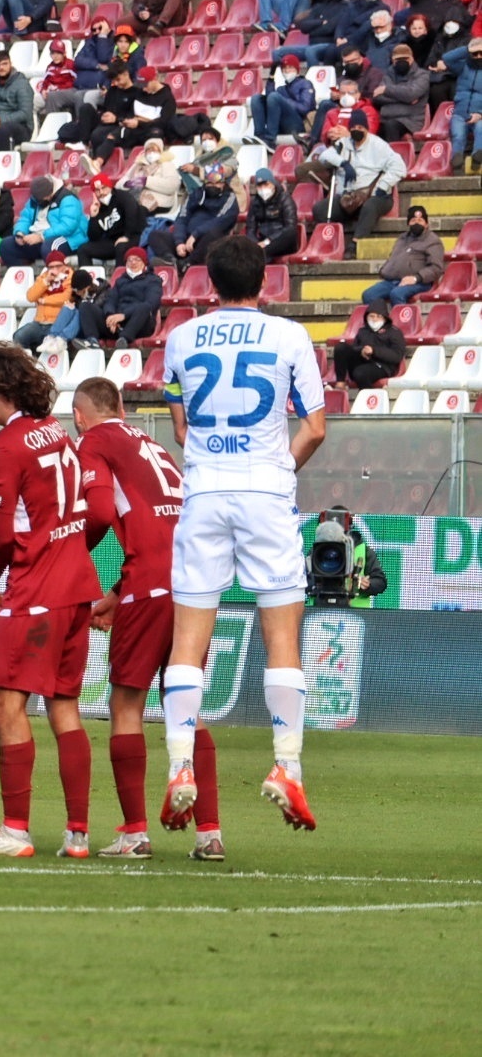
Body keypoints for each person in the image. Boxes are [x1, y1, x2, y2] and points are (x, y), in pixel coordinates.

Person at [161, 235, 328, 843]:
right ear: (265, 281)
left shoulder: (181, 338)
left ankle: (180, 766)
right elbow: (315, 427)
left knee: (188, 642)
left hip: (204, 490)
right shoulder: (289, 336)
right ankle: (287, 766)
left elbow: (181, 428)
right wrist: (279, 469)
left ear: (210, 282)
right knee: (282, 637)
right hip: (265, 492)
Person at [0, 342, 100, 859]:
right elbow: (44, 503)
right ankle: (77, 834)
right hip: (78, 586)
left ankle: (15, 831)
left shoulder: (3, 447)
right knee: (65, 708)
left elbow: (1, 538)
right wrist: (0, 505)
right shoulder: (55, 431)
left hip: (37, 588)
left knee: (5, 706)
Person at [71, 377, 199, 860]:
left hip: (148, 582)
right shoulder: (153, 445)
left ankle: (134, 833)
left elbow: (102, 511)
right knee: (185, 705)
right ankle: (210, 834)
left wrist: (70, 553)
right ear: (122, 407)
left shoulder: (92, 441)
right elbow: (162, 525)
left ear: (79, 416)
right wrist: (115, 594)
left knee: (126, 704)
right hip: (193, 581)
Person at [307, 109, 405, 259]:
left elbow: (399, 167)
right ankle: (333, 238)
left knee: (370, 207)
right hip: (350, 196)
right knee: (320, 209)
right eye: (353, 127)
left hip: (376, 195)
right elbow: (325, 156)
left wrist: (384, 185)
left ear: (366, 128)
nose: (356, 130)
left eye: (360, 127)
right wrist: (343, 163)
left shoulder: (379, 145)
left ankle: (354, 244)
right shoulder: (344, 143)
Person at [148, 164, 239, 271]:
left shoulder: (230, 198)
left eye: (217, 183)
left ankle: (187, 264)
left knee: (214, 234)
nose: (213, 186)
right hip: (186, 239)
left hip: (206, 240)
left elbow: (220, 221)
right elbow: (182, 218)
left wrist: (196, 234)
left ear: (223, 183)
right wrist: (179, 242)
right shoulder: (196, 194)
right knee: (155, 235)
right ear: (205, 183)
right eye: (210, 183)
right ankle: (172, 261)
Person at [78, 247, 162, 349]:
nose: (133, 263)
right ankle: (92, 340)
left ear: (144, 262)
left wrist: (124, 315)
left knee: (144, 307)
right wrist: (110, 315)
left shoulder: (153, 280)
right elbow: (110, 300)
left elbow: (152, 303)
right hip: (116, 324)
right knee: (85, 306)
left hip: (138, 324)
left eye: (137, 259)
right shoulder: (121, 280)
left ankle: (124, 340)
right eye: (129, 260)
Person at [305, 506, 386, 607]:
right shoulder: (316, 551)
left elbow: (380, 582)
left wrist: (367, 584)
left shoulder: (364, 550)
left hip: (356, 612)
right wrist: (315, 584)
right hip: (319, 609)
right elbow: (301, 581)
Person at [1, 175, 87, 266]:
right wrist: (20, 232)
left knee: (49, 248)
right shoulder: (35, 199)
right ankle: (23, 273)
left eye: (45, 198)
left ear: (50, 193)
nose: (43, 201)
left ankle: (54, 274)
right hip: (38, 236)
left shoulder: (68, 198)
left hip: (69, 238)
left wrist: (41, 236)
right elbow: (25, 218)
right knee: (6, 246)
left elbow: (68, 226)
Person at [331, 297, 406, 390]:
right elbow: (355, 347)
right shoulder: (363, 331)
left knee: (360, 373)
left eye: (378, 316)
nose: (374, 319)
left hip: (382, 366)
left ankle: (368, 396)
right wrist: (361, 350)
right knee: (341, 348)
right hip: (362, 361)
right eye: (371, 316)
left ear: (385, 318)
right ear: (366, 317)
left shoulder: (394, 332)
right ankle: (340, 384)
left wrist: (374, 351)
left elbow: (397, 355)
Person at [77, 175, 146, 267]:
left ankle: (119, 276)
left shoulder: (123, 197)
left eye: (104, 188)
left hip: (133, 237)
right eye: (97, 190)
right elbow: (93, 238)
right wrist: (94, 217)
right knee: (83, 249)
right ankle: (87, 276)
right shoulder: (98, 207)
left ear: (110, 187)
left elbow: (132, 216)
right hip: (113, 241)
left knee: (121, 246)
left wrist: (126, 236)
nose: (101, 193)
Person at [11, 251, 74, 351]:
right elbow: (30, 297)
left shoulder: (71, 278)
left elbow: (66, 297)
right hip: (39, 323)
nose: (55, 270)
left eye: (58, 266)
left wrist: (44, 300)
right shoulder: (43, 278)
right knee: (19, 336)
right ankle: (27, 358)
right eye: (51, 267)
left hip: (57, 323)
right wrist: (46, 281)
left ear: (65, 266)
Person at [251, 54, 317, 149]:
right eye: (284, 68)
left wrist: (284, 101)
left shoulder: (306, 84)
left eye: (290, 67)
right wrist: (271, 76)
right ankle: (259, 136)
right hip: (282, 123)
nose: (286, 71)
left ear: (297, 69)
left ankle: (270, 139)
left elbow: (305, 108)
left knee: (274, 96)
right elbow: (270, 99)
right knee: (256, 98)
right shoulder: (281, 89)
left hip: (298, 124)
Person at [374, 43, 430, 142]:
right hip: (386, 118)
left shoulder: (422, 75)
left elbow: (411, 94)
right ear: (393, 61)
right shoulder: (388, 74)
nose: (401, 62)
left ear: (412, 59)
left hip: (410, 120)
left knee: (391, 126)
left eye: (405, 58)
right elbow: (377, 97)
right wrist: (404, 98)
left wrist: (386, 90)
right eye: (398, 59)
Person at [245, 169, 301, 263]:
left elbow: (290, 227)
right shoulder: (255, 202)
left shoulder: (285, 199)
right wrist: (255, 243)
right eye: (259, 186)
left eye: (266, 184)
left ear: (273, 183)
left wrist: (268, 241)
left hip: (282, 239)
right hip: (262, 240)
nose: (263, 188)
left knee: (261, 253)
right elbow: (250, 228)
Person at [447, 36, 482, 173]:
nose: (478, 56)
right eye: (475, 54)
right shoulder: (463, 66)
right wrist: (467, 49)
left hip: (480, 114)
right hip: (460, 112)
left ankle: (477, 159)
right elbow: (447, 58)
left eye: (481, 53)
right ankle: (457, 163)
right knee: (458, 135)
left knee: (481, 130)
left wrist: (480, 114)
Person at [123, 0, 189, 37]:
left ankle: (160, 24)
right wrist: (141, 12)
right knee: (121, 24)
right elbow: (138, 1)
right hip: (152, 18)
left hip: (173, 17)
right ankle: (134, 39)